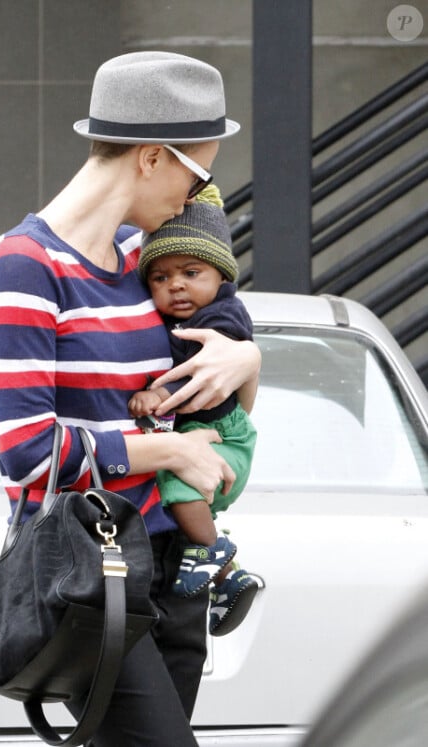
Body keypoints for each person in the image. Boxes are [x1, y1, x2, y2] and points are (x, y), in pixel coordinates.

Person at [0, 50, 261, 747]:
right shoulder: (25, 263)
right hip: (92, 567)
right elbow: (26, 454)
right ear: (151, 158)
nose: (199, 199)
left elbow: (218, 403)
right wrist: (164, 447)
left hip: (173, 565)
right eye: (201, 173)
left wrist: (249, 356)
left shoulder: (148, 261)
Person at [128, 183, 262, 637]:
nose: (176, 285)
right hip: (206, 434)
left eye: (191, 272)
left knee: (174, 479)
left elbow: (199, 370)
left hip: (225, 435)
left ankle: (214, 551)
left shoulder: (222, 318)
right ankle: (229, 581)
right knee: (179, 481)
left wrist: (157, 397)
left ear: (221, 277)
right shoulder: (179, 318)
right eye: (160, 278)